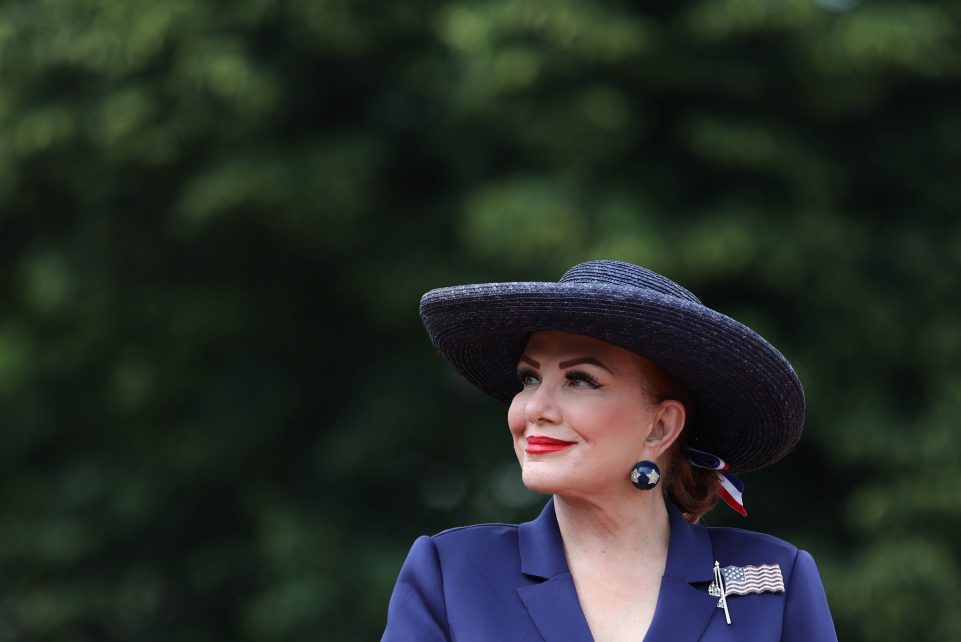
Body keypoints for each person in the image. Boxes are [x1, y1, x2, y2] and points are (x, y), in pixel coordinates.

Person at [382, 260, 837, 641]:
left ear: (660, 426)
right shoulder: (452, 573)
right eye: (529, 378)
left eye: (580, 380)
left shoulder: (773, 578)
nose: (534, 407)